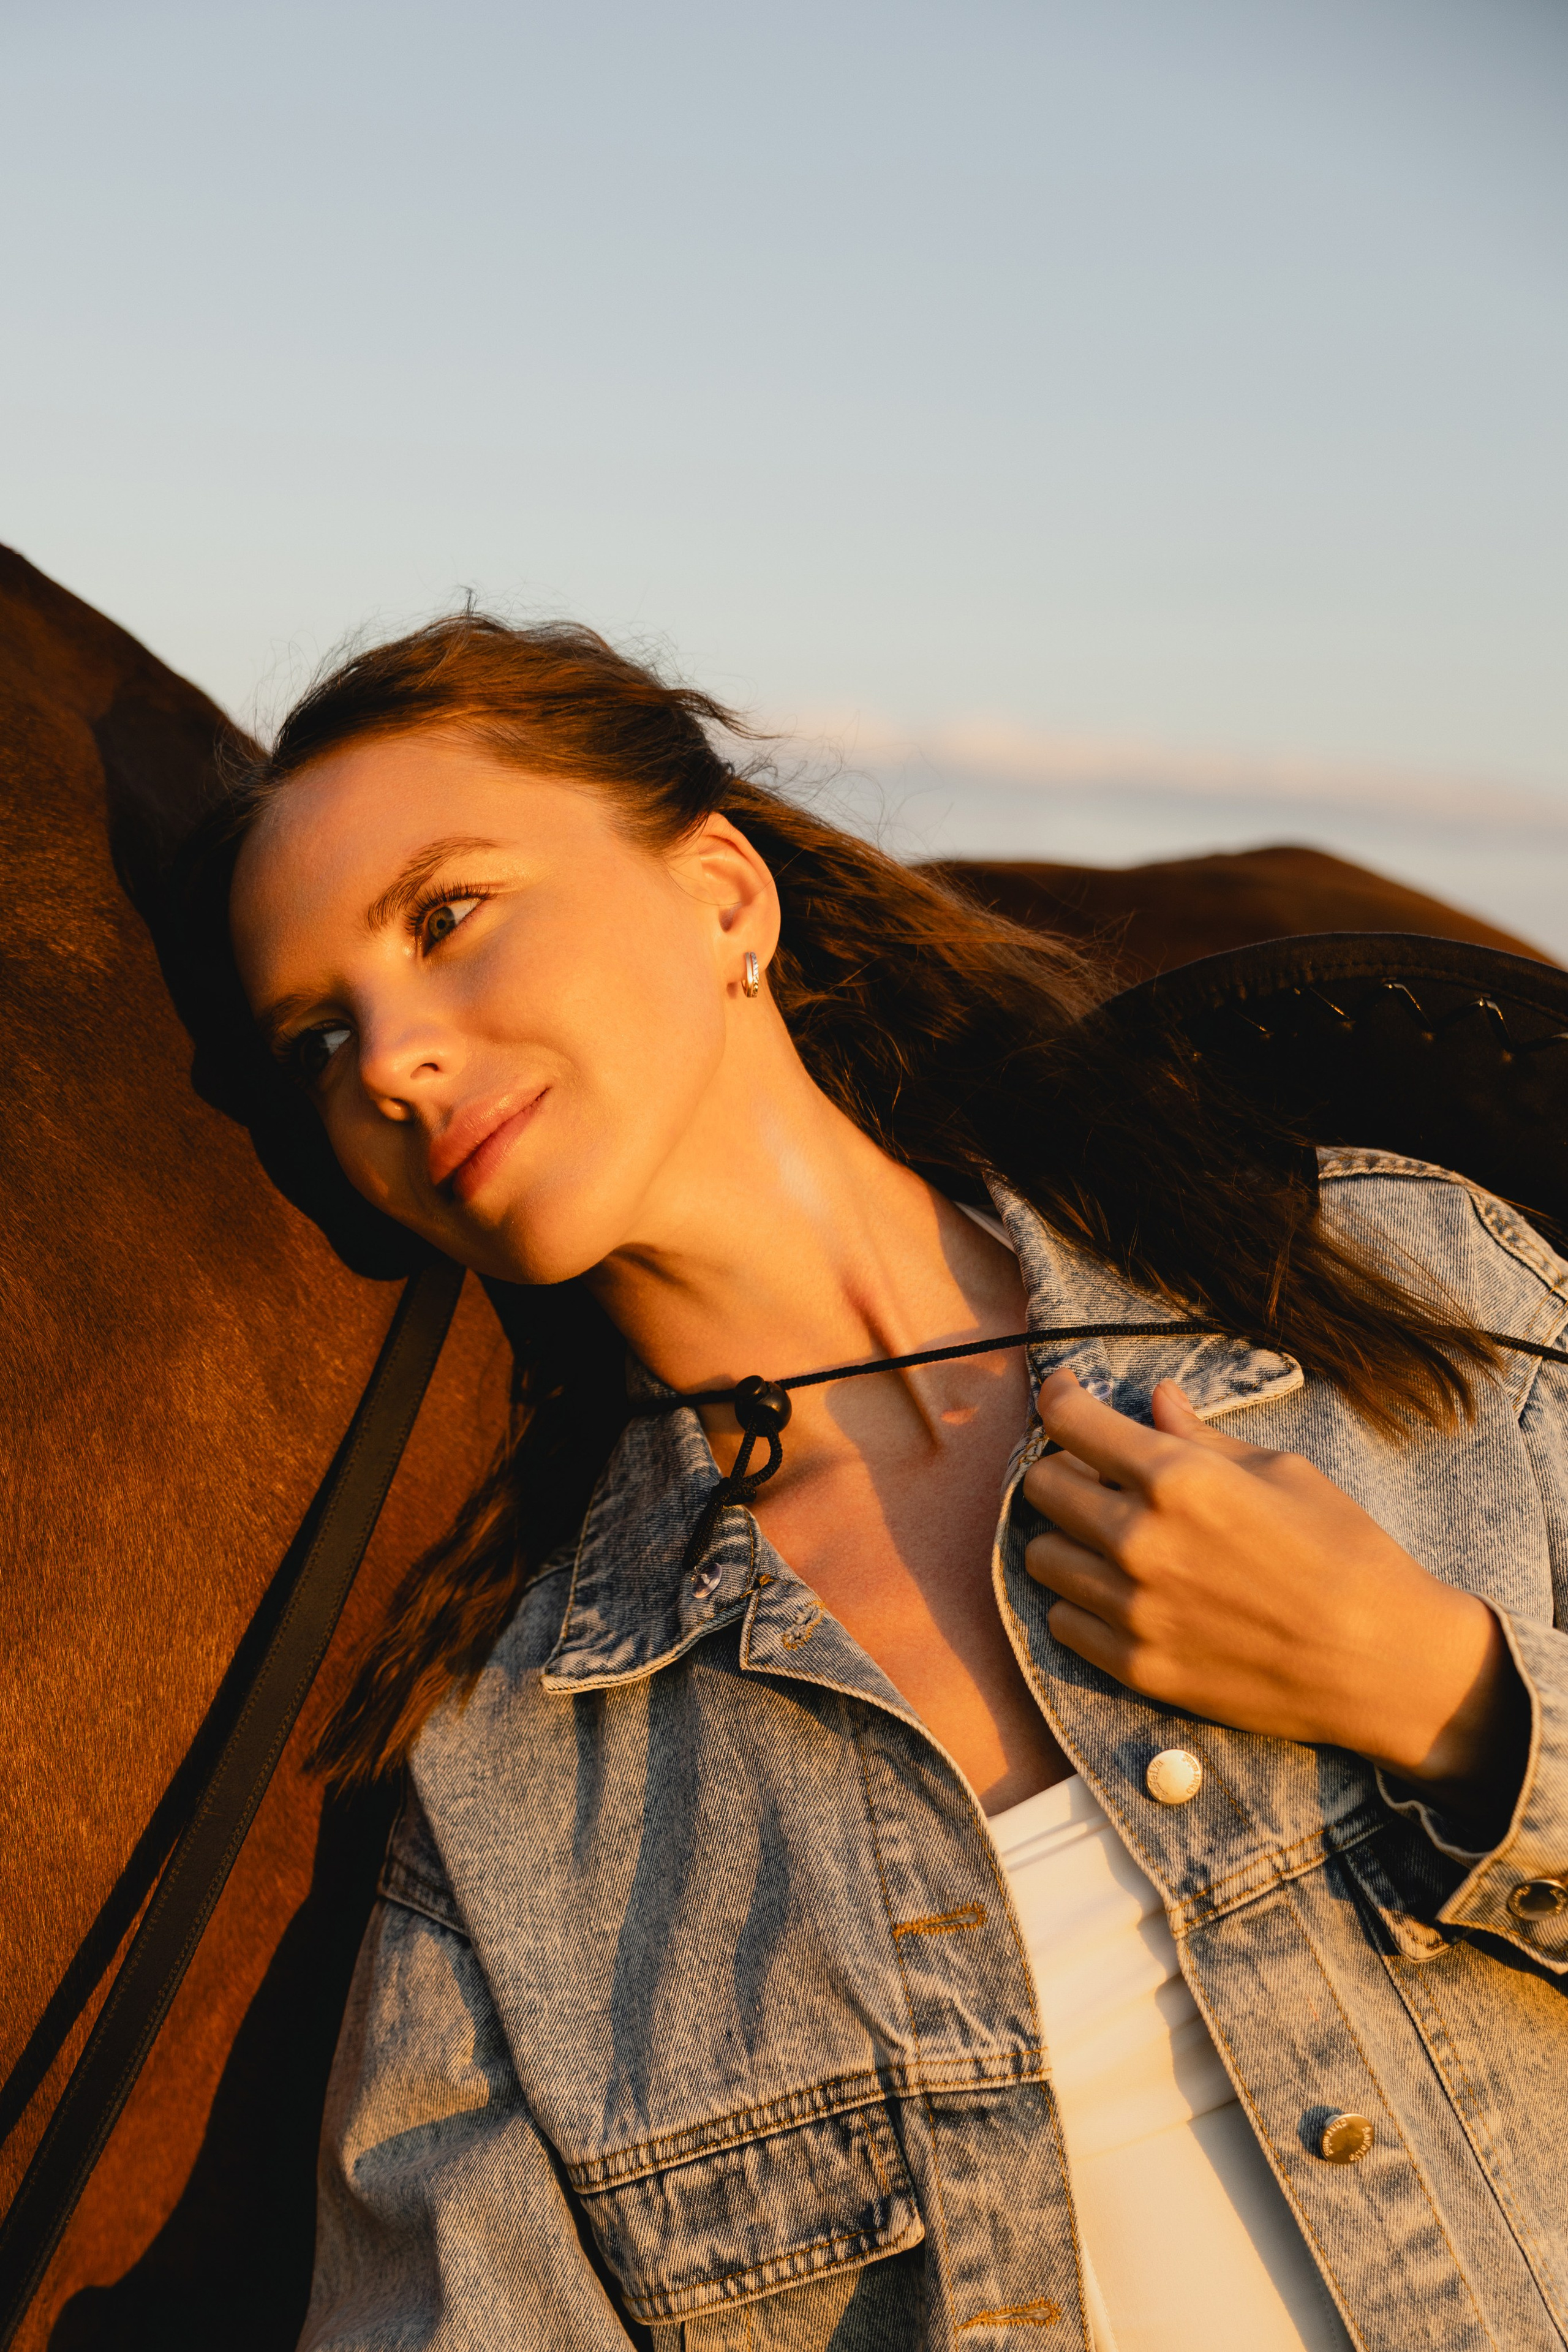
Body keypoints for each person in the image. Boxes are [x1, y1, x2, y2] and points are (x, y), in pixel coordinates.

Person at [190, 615, 1568, 2352]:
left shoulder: (1399, 1287)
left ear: (722, 897)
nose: (390, 1059)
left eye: (446, 916)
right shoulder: (520, 1781)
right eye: (317, 1041)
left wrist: (1455, 1702)